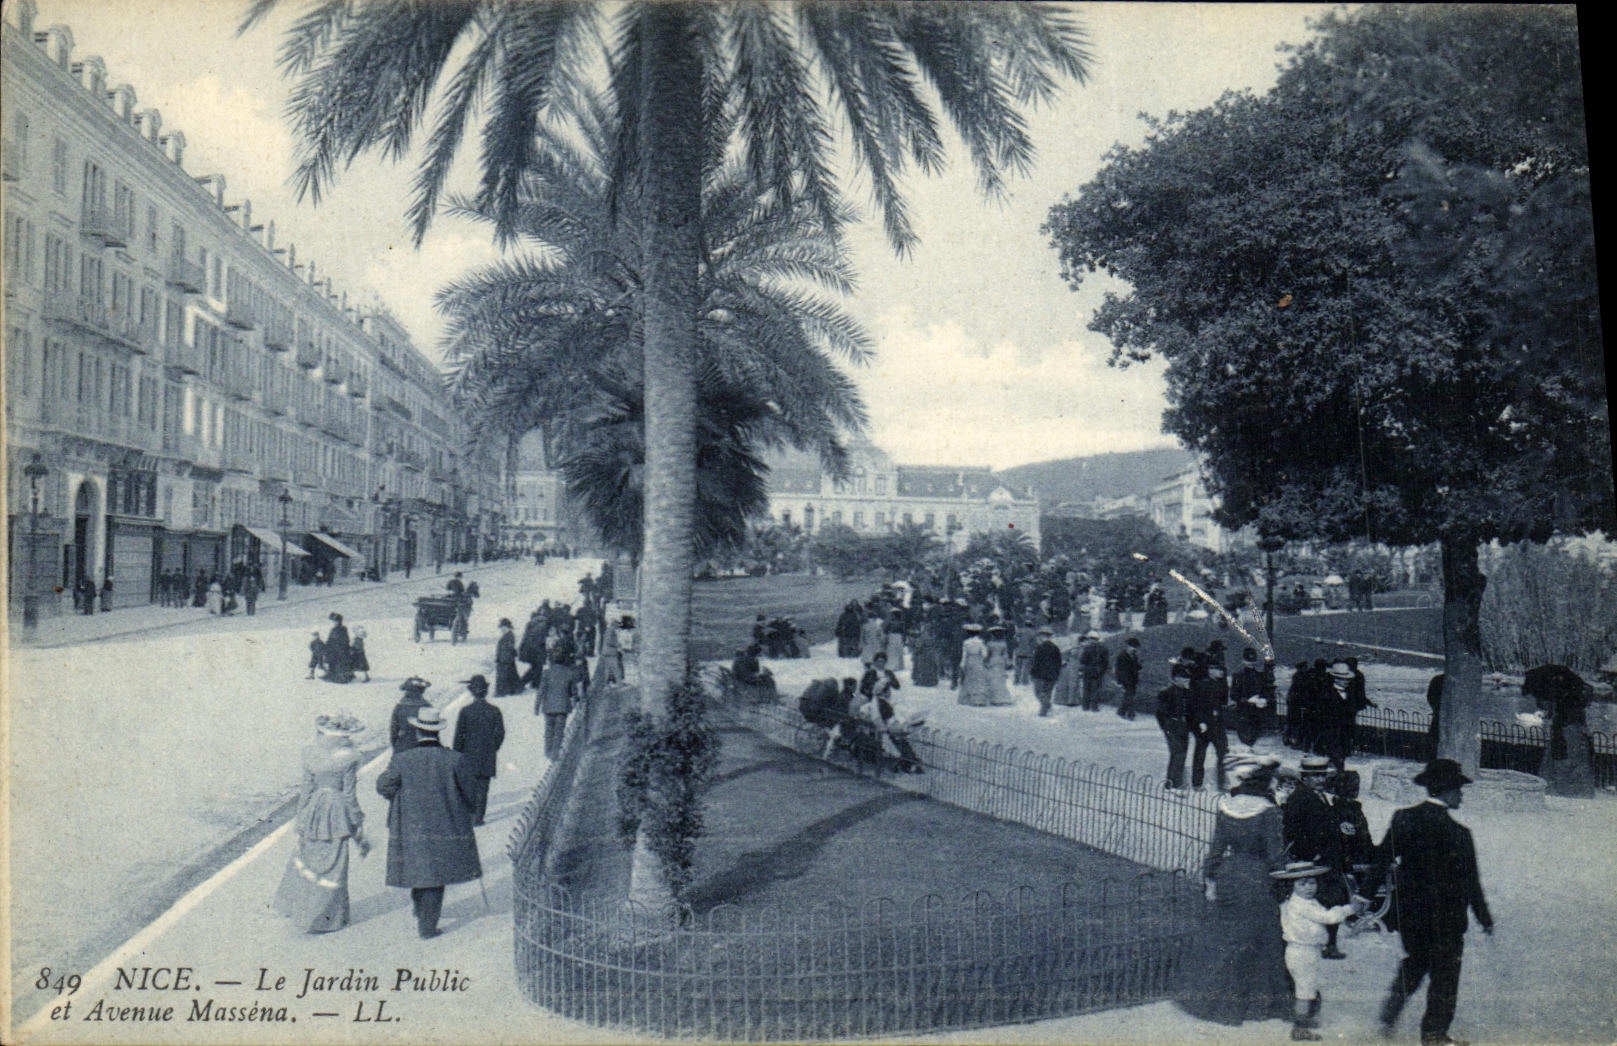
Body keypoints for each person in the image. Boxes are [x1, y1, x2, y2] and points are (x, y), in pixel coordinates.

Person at [1362, 758, 1493, 1046]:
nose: (1461, 795)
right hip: (1447, 918)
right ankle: (1434, 1033)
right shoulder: (1460, 834)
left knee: (1415, 963)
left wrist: (1363, 896)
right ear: (1447, 791)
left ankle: (1389, 1013)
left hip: (1411, 913)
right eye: (1459, 790)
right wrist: (1484, 918)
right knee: (1445, 977)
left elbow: (1382, 859)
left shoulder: (1403, 818)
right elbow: (1471, 882)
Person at [1174, 753, 1292, 1026]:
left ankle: (1209, 996)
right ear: (1264, 782)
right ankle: (1256, 1002)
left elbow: (1215, 852)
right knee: (1261, 939)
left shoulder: (1226, 806)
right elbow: (1275, 857)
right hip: (1257, 878)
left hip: (1229, 875)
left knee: (1226, 936)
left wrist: (1210, 880)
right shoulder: (1269, 810)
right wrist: (1287, 877)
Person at [375, 706, 482, 939]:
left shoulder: (402, 759)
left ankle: (421, 912)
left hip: (411, 824)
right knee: (436, 874)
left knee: (419, 867)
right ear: (438, 732)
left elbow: (383, 785)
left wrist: (396, 794)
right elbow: (471, 794)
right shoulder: (454, 759)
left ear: (417, 732)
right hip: (445, 824)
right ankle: (427, 926)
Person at [274, 713, 371, 932]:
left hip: (315, 808)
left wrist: (301, 818)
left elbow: (306, 789)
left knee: (309, 860)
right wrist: (357, 820)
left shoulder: (309, 754)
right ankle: (330, 917)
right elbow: (349, 794)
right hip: (336, 809)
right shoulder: (350, 757)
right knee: (335, 863)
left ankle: (304, 910)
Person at [1272, 861, 1363, 1041]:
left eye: (1312, 882)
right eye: (1302, 884)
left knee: (1308, 987)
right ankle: (1300, 1027)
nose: (1308, 888)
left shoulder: (1306, 901)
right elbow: (1327, 917)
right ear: (1292, 886)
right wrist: (1349, 908)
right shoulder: (1301, 905)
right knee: (1305, 991)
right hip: (1302, 952)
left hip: (1306, 951)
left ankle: (1305, 1020)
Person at [1283, 756, 1353, 960]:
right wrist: (1313, 853)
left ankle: (1327, 942)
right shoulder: (1301, 797)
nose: (1319, 780)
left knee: (1331, 898)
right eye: (1314, 776)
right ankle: (1326, 944)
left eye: (1322, 775)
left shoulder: (1317, 795)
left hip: (1326, 857)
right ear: (1305, 777)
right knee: (1328, 899)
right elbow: (1294, 830)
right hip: (1315, 860)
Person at [1522, 663, 1596, 797]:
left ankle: (1564, 792)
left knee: (1564, 766)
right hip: (1568, 734)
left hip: (1567, 736)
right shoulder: (1569, 699)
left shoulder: (1566, 706)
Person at [452, 675, 505, 826]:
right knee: (483, 788)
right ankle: (478, 818)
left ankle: (469, 815)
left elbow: (459, 736)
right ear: (486, 691)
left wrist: (457, 754)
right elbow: (500, 734)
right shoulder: (494, 710)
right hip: (487, 756)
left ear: (471, 692)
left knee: (469, 787)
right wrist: (492, 747)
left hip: (468, 756)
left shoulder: (465, 711)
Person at [1317, 660, 1370, 771]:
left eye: (1348, 679)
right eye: (1344, 679)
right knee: (1334, 761)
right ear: (1335, 679)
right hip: (1331, 734)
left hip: (1345, 734)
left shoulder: (1350, 693)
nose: (1347, 681)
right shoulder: (1326, 694)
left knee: (1341, 759)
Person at [1188, 658, 1230, 792]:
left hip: (1217, 725)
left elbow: (1222, 704)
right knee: (1200, 754)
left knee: (1223, 753)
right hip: (1204, 725)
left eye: (1222, 670)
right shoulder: (1200, 685)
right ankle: (1197, 783)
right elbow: (1195, 706)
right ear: (1210, 671)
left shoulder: (1222, 685)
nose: (1221, 672)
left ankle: (1222, 783)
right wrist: (1200, 722)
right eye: (1218, 670)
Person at [535, 645, 583, 759]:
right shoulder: (569, 672)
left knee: (549, 729)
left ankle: (547, 751)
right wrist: (575, 699)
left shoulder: (547, 672)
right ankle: (554, 753)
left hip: (548, 706)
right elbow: (573, 691)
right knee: (559, 731)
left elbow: (541, 690)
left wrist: (536, 706)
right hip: (562, 706)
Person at [1155, 656, 1194, 790]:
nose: (1186, 680)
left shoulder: (1187, 693)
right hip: (1172, 726)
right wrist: (1166, 727)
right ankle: (1174, 784)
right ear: (1176, 678)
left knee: (1181, 754)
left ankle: (1172, 782)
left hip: (1184, 727)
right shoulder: (1167, 693)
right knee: (1178, 753)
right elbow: (1160, 713)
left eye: (1187, 678)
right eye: (1183, 678)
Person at [1229, 647, 1275, 745]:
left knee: (1254, 735)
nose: (1250, 664)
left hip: (1256, 712)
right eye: (1248, 661)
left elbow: (1265, 691)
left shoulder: (1259, 676)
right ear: (1244, 661)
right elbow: (1234, 695)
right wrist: (1249, 701)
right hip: (1244, 712)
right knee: (1246, 737)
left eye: (1252, 661)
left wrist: (1264, 700)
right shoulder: (1238, 676)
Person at [390, 677, 433, 753]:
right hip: (423, 748)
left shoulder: (399, 708)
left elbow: (393, 733)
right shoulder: (428, 707)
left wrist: (396, 748)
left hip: (403, 746)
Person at [1030, 627, 1063, 717]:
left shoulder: (1039, 648)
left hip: (1040, 674)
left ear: (1043, 636)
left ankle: (1045, 707)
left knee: (1038, 692)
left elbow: (1035, 661)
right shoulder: (1055, 648)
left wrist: (1032, 673)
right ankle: (1045, 708)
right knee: (1048, 693)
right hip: (1052, 675)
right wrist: (1057, 673)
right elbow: (1059, 662)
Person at [957, 623, 991, 706]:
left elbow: (964, 655)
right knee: (979, 680)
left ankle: (969, 699)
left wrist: (962, 664)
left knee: (969, 679)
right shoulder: (980, 642)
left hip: (969, 660)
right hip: (978, 660)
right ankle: (979, 700)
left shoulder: (966, 642)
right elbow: (984, 654)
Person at [1077, 631, 1110, 711]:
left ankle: (1085, 706)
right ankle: (1094, 707)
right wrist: (1102, 670)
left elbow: (1082, 660)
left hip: (1088, 671)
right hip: (1098, 671)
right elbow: (1106, 661)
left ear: (1091, 639)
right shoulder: (1104, 648)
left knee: (1086, 689)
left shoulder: (1087, 648)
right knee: (1095, 689)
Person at [1114, 635, 1142, 720]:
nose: (1134, 649)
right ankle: (1131, 715)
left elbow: (1135, 666)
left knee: (1128, 696)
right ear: (1128, 646)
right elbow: (1118, 669)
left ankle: (1121, 711)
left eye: (1135, 647)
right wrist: (1119, 681)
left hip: (1133, 679)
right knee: (1130, 697)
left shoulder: (1134, 656)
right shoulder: (1122, 655)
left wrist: (1139, 665)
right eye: (1132, 647)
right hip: (1125, 680)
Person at [985, 624, 1013, 706]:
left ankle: (993, 698)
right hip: (1000, 661)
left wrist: (986, 662)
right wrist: (1006, 662)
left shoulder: (989, 644)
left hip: (992, 660)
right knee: (1000, 679)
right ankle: (1002, 698)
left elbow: (987, 654)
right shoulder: (1003, 643)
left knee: (992, 679)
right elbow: (1005, 654)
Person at [494, 618, 524, 696]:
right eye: (501, 627)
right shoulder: (507, 635)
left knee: (504, 676)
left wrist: (504, 659)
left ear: (507, 626)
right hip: (505, 659)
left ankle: (502, 692)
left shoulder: (510, 635)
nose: (501, 629)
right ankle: (515, 689)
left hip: (505, 659)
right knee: (511, 675)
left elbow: (509, 648)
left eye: (502, 627)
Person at [323, 613, 353, 683]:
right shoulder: (334, 629)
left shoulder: (342, 629)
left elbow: (345, 640)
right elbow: (330, 639)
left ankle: (341, 677)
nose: (333, 623)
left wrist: (337, 647)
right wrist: (327, 645)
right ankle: (331, 673)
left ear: (338, 621)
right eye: (333, 621)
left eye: (334, 621)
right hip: (333, 648)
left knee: (339, 660)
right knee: (330, 657)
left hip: (340, 649)